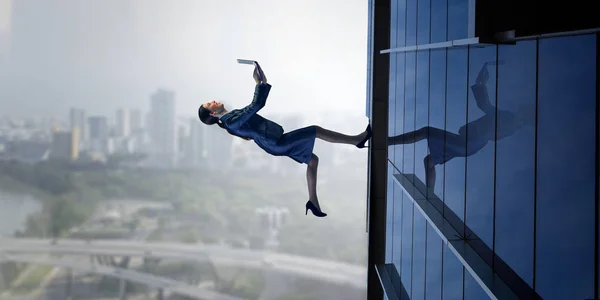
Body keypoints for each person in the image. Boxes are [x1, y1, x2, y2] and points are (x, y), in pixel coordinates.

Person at [198, 62, 372, 218]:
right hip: (276, 143)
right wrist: (259, 83)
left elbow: (250, 109)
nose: (213, 101)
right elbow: (256, 106)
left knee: (313, 160)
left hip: (273, 142)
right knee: (316, 130)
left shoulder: (231, 117)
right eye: (209, 104)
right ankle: (357, 140)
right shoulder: (231, 122)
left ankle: (312, 200)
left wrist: (262, 83)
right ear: (212, 113)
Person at [388, 61, 534, 190]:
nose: (519, 107)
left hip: (469, 143)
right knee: (429, 160)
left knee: (427, 132)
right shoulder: (513, 123)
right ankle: (429, 193)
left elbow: (487, 108)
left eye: (523, 109)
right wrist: (480, 85)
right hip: (469, 144)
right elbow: (487, 108)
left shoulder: (512, 120)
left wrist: (480, 85)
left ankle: (390, 141)